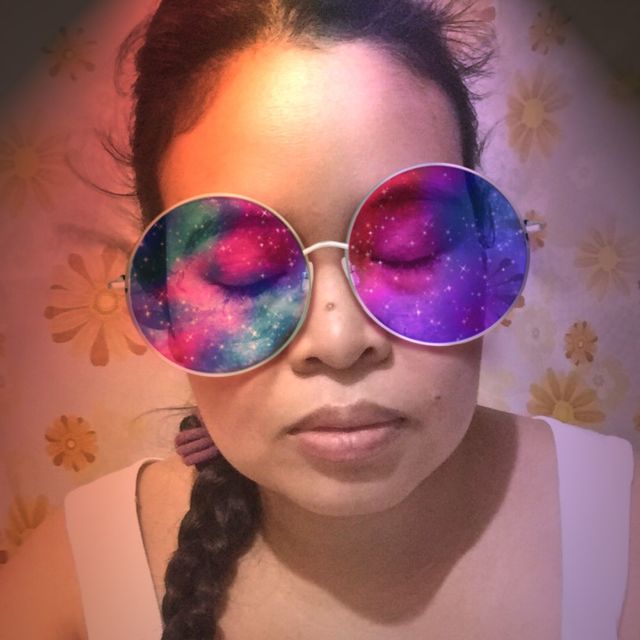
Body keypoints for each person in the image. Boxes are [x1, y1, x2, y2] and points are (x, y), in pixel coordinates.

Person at [0, 1, 638, 639]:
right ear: (163, 293)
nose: (337, 341)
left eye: (412, 249)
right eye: (241, 271)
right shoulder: (77, 585)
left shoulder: (620, 529)